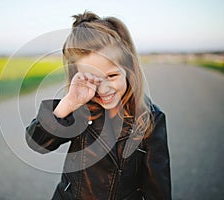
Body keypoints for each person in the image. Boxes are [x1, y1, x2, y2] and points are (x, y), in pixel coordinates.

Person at [26, 11, 171, 200]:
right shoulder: (80, 109)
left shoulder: (150, 118)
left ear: (128, 69)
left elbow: (157, 186)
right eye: (92, 79)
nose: (103, 89)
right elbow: (37, 143)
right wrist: (68, 103)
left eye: (112, 76)